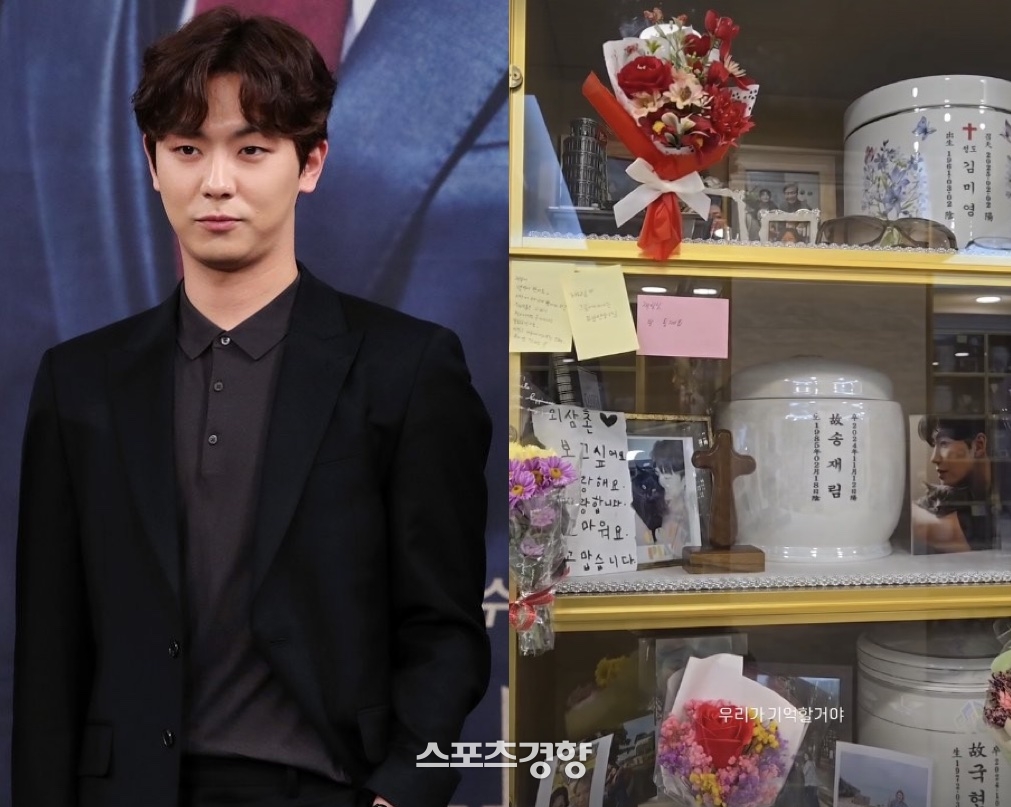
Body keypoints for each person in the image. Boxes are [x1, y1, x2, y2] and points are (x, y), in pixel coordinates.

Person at [12, 10, 491, 807]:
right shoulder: (81, 381)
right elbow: (48, 652)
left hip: (324, 785)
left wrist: (400, 792)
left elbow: (443, 627)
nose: (217, 182)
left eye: (252, 148)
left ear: (311, 163)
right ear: (152, 162)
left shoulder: (406, 369)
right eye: (187, 148)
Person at [911, 416, 996, 552]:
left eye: (944, 443)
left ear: (978, 445)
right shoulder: (951, 495)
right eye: (934, 444)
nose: (934, 458)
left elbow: (941, 532)